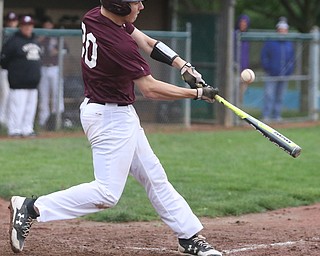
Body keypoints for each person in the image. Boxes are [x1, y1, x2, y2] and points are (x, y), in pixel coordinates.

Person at [8, 1, 222, 256]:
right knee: (107, 193)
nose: (141, 6)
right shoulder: (119, 45)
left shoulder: (97, 16)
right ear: (119, 6)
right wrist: (196, 94)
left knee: (154, 177)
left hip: (116, 113)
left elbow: (149, 43)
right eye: (135, 2)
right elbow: (150, 89)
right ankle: (31, 207)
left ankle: (189, 236)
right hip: (109, 117)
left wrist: (182, 65)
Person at [0, 15, 41, 137]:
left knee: (30, 109)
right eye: (25, 25)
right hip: (18, 83)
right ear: (21, 26)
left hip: (33, 83)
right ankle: (14, 130)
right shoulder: (13, 41)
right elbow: (3, 60)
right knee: (17, 107)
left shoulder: (35, 40)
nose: (28, 28)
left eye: (30, 25)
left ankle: (27, 129)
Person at [261, 17, 295, 122]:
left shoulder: (289, 43)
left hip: (284, 76)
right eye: (280, 29)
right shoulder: (270, 42)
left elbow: (292, 60)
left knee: (280, 96)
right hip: (271, 74)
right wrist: (268, 68)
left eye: (284, 30)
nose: (282, 31)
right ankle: (266, 116)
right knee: (269, 95)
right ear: (277, 30)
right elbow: (264, 56)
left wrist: (289, 71)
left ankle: (277, 116)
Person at [37, 16, 66, 129]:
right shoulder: (40, 37)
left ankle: (57, 121)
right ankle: (42, 121)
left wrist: (58, 51)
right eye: (45, 25)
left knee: (57, 94)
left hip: (55, 68)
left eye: (49, 25)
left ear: (52, 25)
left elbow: (66, 50)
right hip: (43, 68)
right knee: (43, 95)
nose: (47, 27)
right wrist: (41, 39)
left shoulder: (57, 36)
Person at [0, 12, 19, 128]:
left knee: (12, 95)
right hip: (4, 69)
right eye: (9, 21)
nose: (11, 23)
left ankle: (9, 119)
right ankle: (2, 119)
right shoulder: (3, 33)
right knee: (5, 94)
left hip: (15, 70)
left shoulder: (18, 35)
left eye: (13, 21)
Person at [234, 14, 250, 103]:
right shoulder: (234, 35)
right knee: (233, 92)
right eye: (241, 22)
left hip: (244, 69)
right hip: (234, 68)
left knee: (241, 93)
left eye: (245, 23)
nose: (243, 24)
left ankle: (237, 113)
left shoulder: (246, 37)